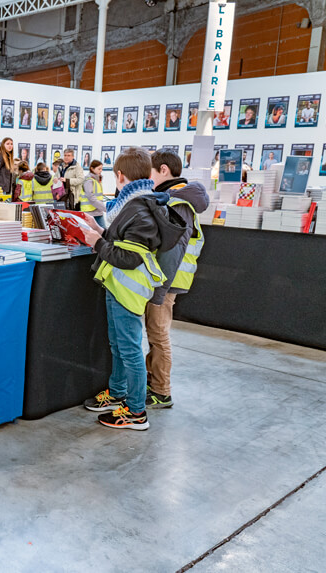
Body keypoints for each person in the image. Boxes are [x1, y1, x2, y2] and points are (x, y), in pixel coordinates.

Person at [80, 147, 187, 430]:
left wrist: (97, 242)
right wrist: (100, 231)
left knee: (129, 349)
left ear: (119, 176)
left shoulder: (140, 208)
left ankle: (136, 411)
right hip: (118, 286)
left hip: (127, 289)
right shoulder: (137, 204)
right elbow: (125, 242)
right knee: (119, 345)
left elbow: (129, 258)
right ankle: (117, 393)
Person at [142, 150, 209, 409]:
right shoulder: (176, 197)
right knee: (154, 333)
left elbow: (172, 249)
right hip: (166, 278)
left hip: (166, 280)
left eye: (150, 171)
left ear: (163, 170)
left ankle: (161, 391)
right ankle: (152, 381)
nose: (147, 177)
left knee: (158, 334)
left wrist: (159, 288)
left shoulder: (178, 202)